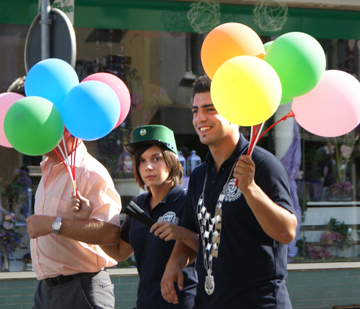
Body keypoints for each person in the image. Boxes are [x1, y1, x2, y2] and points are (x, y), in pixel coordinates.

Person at [161, 76, 297, 308]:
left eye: (210, 109)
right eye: (195, 110)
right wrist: (174, 263)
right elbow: (193, 235)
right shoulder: (199, 176)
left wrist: (251, 189)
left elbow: (286, 232)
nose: (200, 118)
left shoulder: (263, 165)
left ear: (235, 114)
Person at [72, 124, 198, 309]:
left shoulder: (188, 200)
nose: (148, 166)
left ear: (172, 160)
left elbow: (212, 248)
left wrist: (181, 234)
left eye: (156, 158)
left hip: (185, 303)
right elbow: (120, 252)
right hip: (145, 302)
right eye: (141, 160)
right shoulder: (138, 205)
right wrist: (87, 220)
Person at [26, 128, 122, 309]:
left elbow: (110, 233)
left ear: (68, 131)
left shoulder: (89, 171)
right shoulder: (48, 169)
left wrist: (53, 224)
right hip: (45, 292)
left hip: (82, 288)